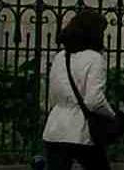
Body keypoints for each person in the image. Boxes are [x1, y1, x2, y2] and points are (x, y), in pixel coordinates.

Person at [44, 9, 116, 170]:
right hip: (81, 131)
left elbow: (52, 95)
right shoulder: (95, 59)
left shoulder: (60, 57)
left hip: (55, 127)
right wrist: (111, 114)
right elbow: (93, 100)